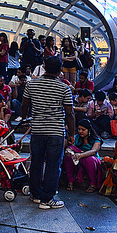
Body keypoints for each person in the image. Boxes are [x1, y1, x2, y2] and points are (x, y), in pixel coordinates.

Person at [21, 56, 74, 210]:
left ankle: (35, 194)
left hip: (37, 130)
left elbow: (24, 105)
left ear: (44, 67)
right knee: (53, 165)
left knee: (36, 163)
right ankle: (47, 199)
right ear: (60, 70)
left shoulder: (32, 84)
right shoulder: (64, 88)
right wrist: (71, 133)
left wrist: (24, 119)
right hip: (55, 131)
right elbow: (69, 113)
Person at [63, 119, 103, 193]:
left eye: (83, 130)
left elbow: (94, 151)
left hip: (91, 161)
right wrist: (69, 151)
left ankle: (92, 184)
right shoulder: (76, 138)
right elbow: (71, 147)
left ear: (89, 130)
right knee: (67, 158)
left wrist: (81, 155)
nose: (80, 131)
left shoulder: (96, 139)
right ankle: (70, 182)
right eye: (79, 129)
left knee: (89, 160)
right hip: (78, 160)